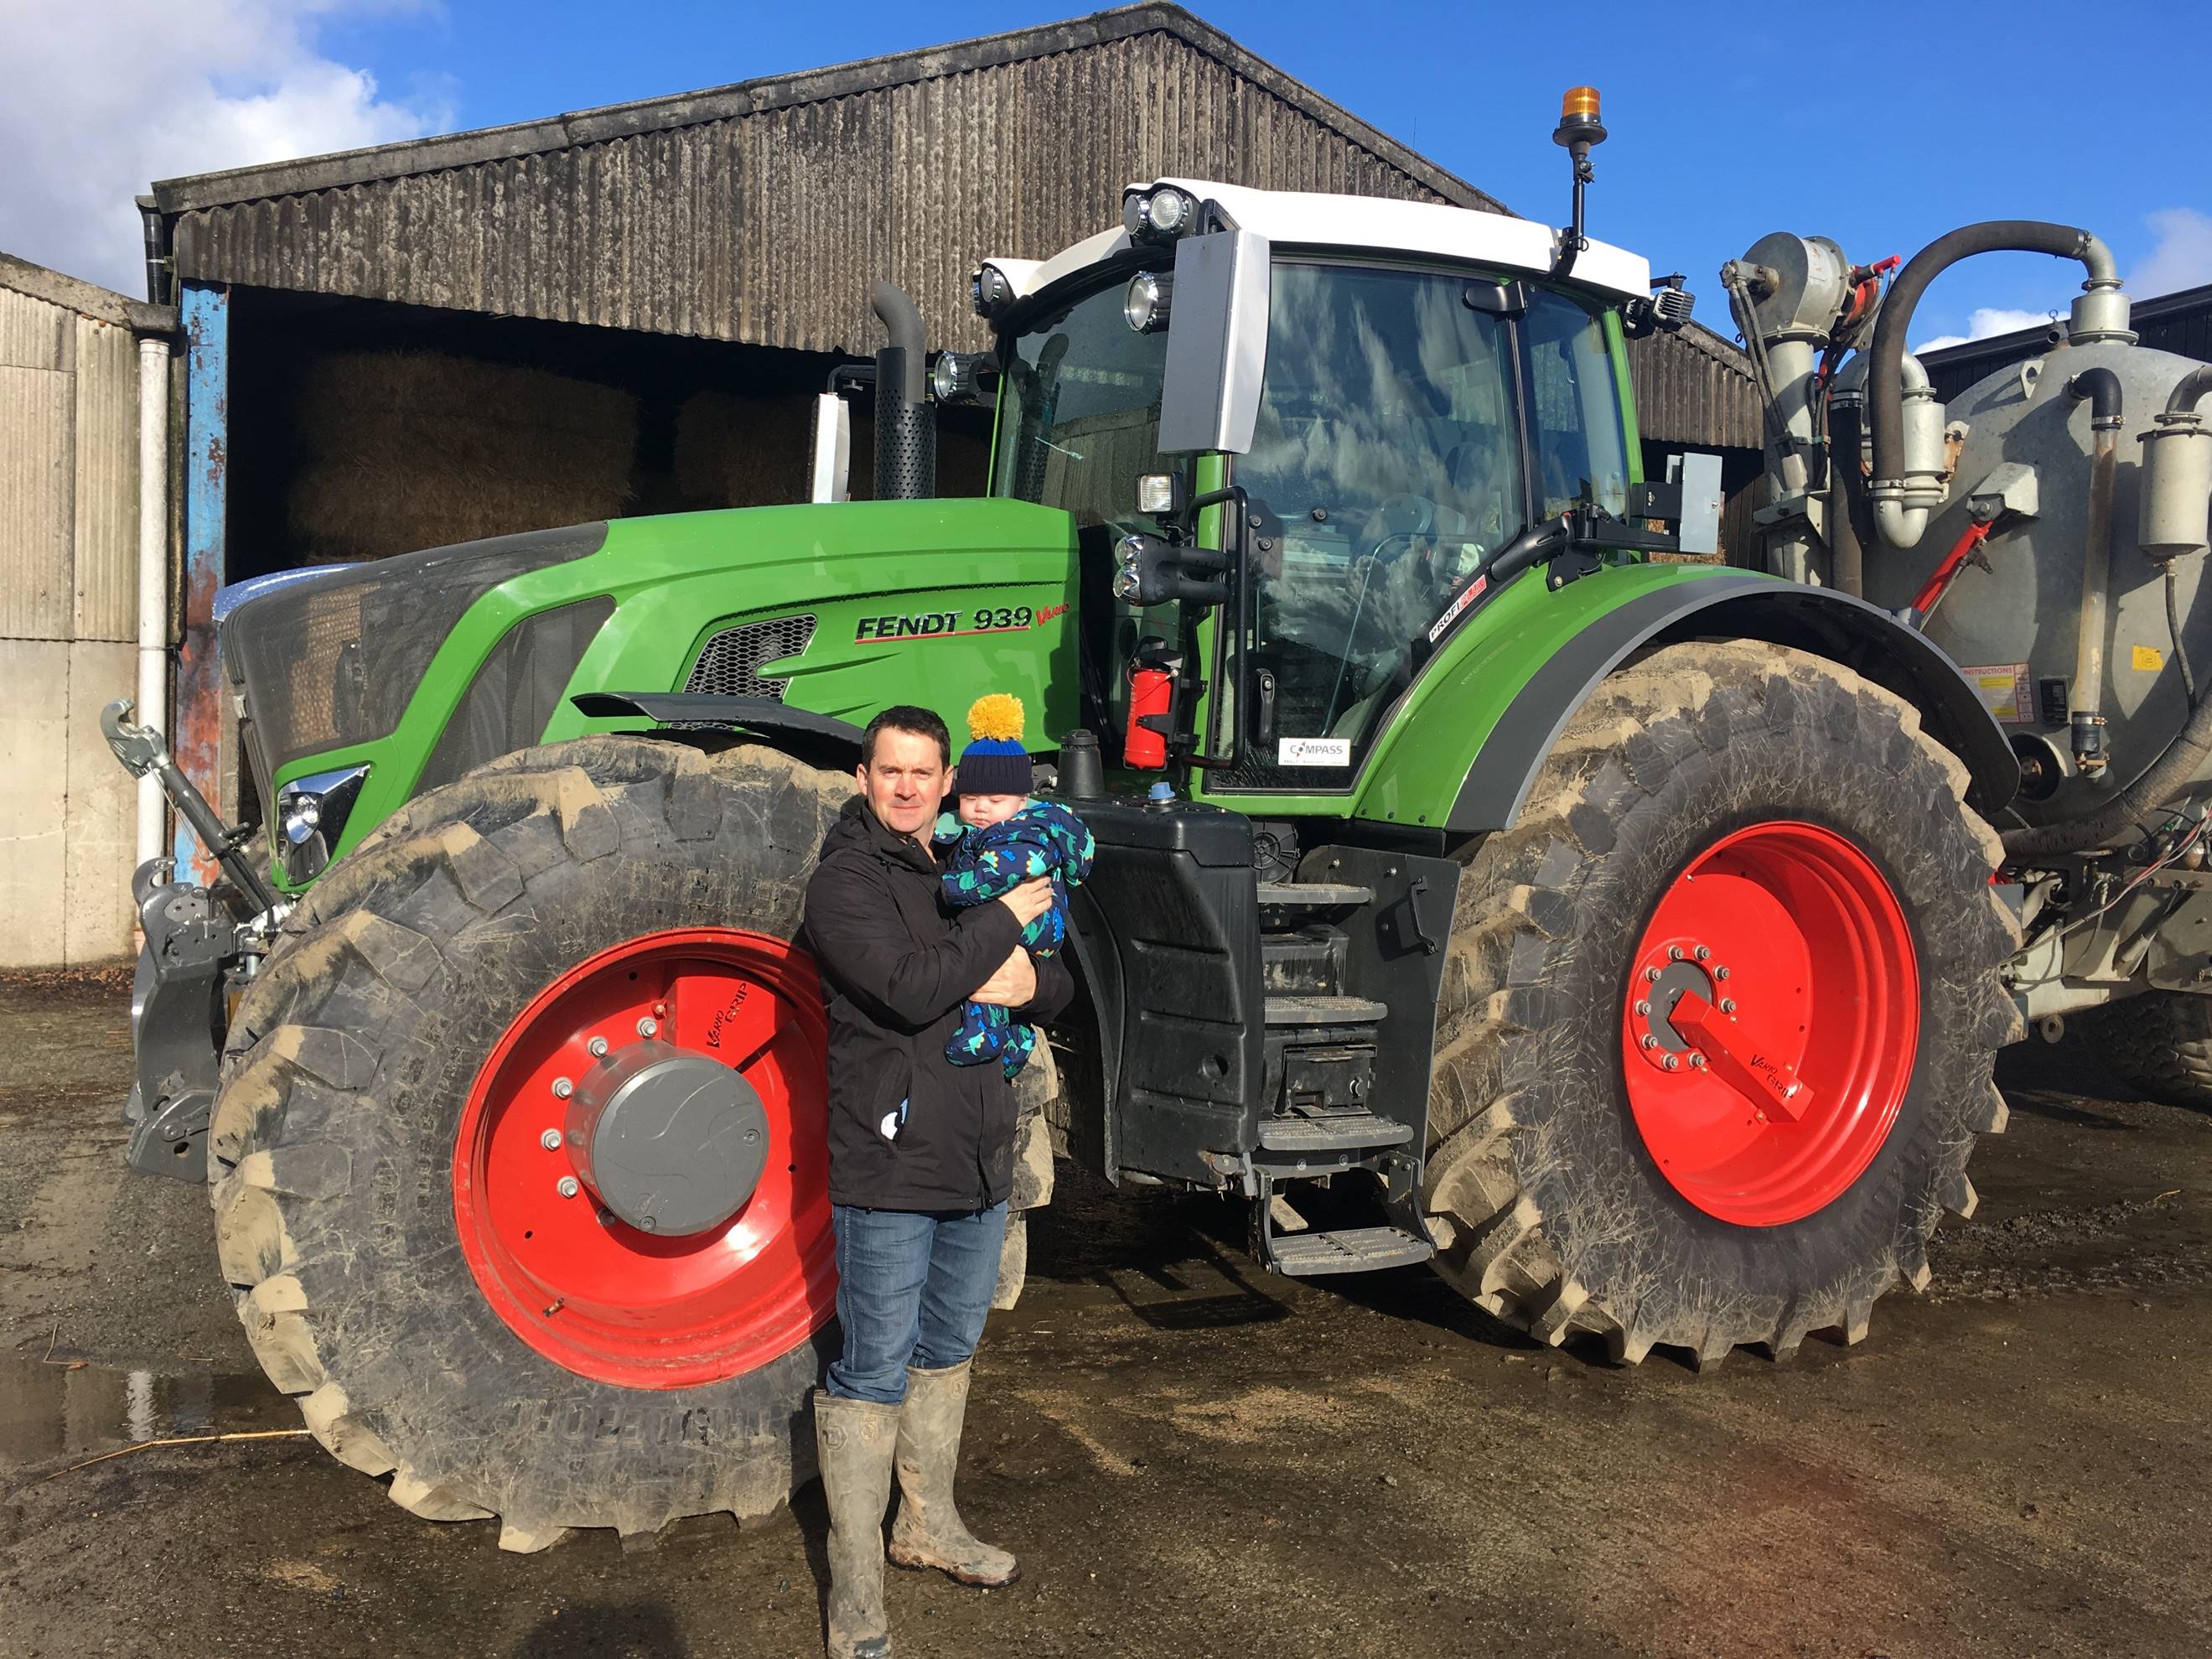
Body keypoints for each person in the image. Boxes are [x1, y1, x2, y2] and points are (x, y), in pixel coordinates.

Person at [800, 703, 1070, 1659]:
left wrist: (1030, 986)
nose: (907, 787)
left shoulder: (961, 861)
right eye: (890, 771)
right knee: (872, 1363)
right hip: (890, 1159)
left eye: (923, 772)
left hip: (977, 1151)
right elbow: (911, 986)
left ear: (946, 777)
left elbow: (1058, 981)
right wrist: (1007, 918)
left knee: (949, 1344)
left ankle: (926, 1525)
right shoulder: (846, 882)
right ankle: (856, 1594)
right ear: (865, 778)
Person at [934, 693, 1096, 1079]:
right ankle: (1018, 1041)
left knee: (983, 950)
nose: (981, 809)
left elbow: (992, 876)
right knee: (1003, 974)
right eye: (971, 798)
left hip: (1033, 920)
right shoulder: (986, 827)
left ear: (1022, 800)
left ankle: (983, 1032)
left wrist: (949, 887)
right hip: (1032, 918)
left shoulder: (1023, 835)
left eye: (994, 799)